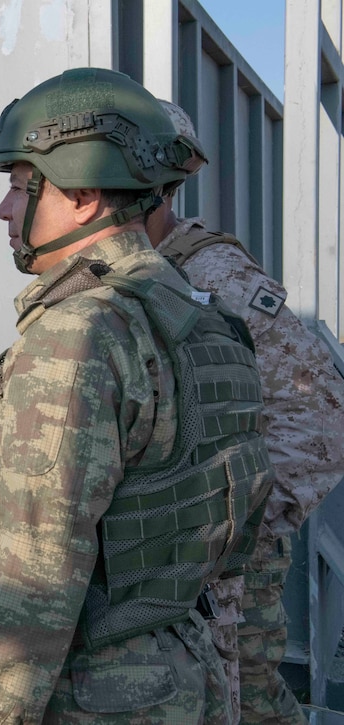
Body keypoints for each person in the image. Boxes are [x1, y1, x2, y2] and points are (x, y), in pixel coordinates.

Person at [0, 68, 275, 723]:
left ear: (83, 193)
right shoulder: (209, 320)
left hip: (93, 689)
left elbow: (27, 588)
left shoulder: (79, 335)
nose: (5, 210)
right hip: (185, 667)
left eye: (18, 187)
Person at [148, 100, 344, 724]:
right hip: (169, 558)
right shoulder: (134, 272)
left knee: (249, 699)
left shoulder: (207, 269)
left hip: (226, 561)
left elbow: (322, 413)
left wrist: (243, 525)